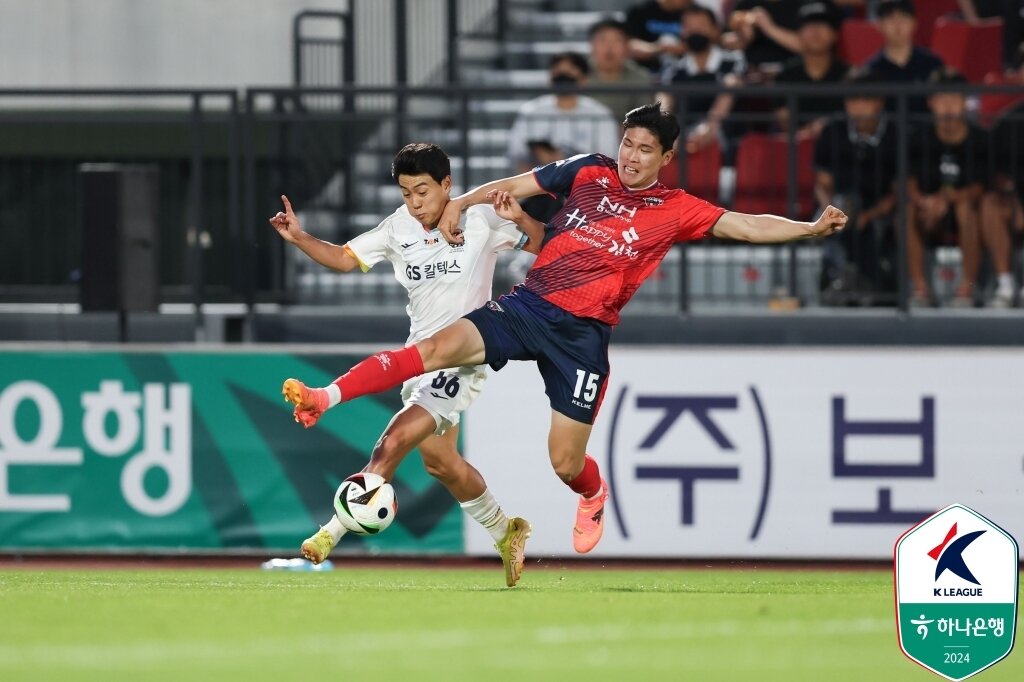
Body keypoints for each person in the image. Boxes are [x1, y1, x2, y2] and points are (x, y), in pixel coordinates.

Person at [280, 103, 848, 554]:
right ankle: (325, 396)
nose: (630, 155)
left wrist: (807, 228)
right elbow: (521, 183)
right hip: (529, 306)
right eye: (628, 142)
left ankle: (593, 492)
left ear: (666, 158)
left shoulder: (675, 207)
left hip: (582, 336)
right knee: (434, 348)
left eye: (645, 149)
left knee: (564, 463)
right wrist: (467, 204)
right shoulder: (589, 169)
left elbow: (745, 225)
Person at [270, 143, 543, 586]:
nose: (414, 203)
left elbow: (543, 244)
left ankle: (329, 533)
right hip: (416, 361)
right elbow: (344, 258)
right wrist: (300, 237)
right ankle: (505, 530)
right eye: (405, 194)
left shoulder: (480, 218)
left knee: (392, 441)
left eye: (422, 191)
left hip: (463, 358)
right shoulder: (397, 228)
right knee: (441, 463)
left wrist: (521, 219)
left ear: (447, 186)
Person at [907, 69, 1013, 306]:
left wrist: (949, 199)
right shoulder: (918, 137)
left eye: (954, 99)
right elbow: (909, 180)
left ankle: (967, 289)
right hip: (929, 211)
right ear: (931, 103)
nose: (948, 107)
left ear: (965, 103)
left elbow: (980, 186)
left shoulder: (980, 139)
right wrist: (924, 202)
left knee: (966, 209)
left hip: (969, 217)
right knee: (907, 211)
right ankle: (920, 289)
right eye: (942, 99)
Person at [506, 52, 621, 222]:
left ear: (583, 79)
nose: (564, 79)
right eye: (559, 73)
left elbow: (609, 160)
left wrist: (568, 166)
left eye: (570, 73)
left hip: (586, 191)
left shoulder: (600, 114)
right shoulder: (531, 111)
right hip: (538, 190)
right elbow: (517, 156)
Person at [814, 69, 897, 304]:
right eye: (853, 100)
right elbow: (822, 185)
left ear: (879, 102)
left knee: (870, 229)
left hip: (880, 207)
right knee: (832, 224)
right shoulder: (832, 130)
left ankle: (868, 283)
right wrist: (831, 210)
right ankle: (838, 279)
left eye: (866, 100)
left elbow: (898, 191)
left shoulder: (895, 133)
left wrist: (870, 215)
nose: (859, 107)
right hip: (839, 203)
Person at [659, 4, 745, 151]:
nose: (695, 31)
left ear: (715, 30)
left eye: (701, 25)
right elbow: (664, 102)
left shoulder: (732, 61)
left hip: (725, 140)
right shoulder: (675, 68)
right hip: (681, 140)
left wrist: (709, 127)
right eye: (689, 26)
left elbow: (730, 89)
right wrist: (669, 132)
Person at [774, 2, 849, 139]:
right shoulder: (785, 75)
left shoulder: (849, 75)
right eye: (808, 26)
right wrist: (808, 133)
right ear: (799, 34)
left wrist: (826, 126)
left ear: (835, 34)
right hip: (795, 147)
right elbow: (784, 120)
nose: (815, 31)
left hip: (839, 148)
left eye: (822, 25)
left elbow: (854, 119)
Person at [866, 0, 944, 113]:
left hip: (926, 128)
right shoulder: (870, 70)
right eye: (890, 19)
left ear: (915, 23)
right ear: (879, 25)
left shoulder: (933, 64)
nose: (898, 26)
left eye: (904, 18)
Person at [586, 18, 654, 119]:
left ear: (627, 46)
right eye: (602, 40)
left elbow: (643, 118)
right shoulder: (578, 74)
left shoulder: (641, 78)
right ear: (592, 46)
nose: (609, 47)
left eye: (617, 40)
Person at [624, 0, 692, 73]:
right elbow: (629, 45)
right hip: (644, 72)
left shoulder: (691, 14)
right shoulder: (640, 11)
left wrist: (682, 49)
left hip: (680, 74)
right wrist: (660, 48)